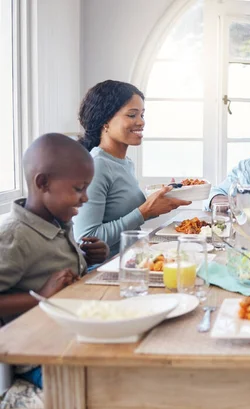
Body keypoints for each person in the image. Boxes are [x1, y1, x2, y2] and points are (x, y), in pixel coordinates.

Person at [0, 133, 110, 388]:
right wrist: (40, 296)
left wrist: (88, 257)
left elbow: (50, 264)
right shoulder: (14, 237)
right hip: (41, 355)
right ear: (43, 183)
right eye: (78, 189)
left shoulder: (57, 220)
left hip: (72, 333)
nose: (85, 198)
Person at [74, 80, 191, 256]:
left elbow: (125, 214)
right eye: (132, 115)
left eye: (142, 115)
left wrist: (158, 203)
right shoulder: (97, 165)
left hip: (132, 259)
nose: (141, 122)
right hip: (103, 270)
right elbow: (86, 238)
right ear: (105, 120)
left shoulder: (124, 162)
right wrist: (144, 212)